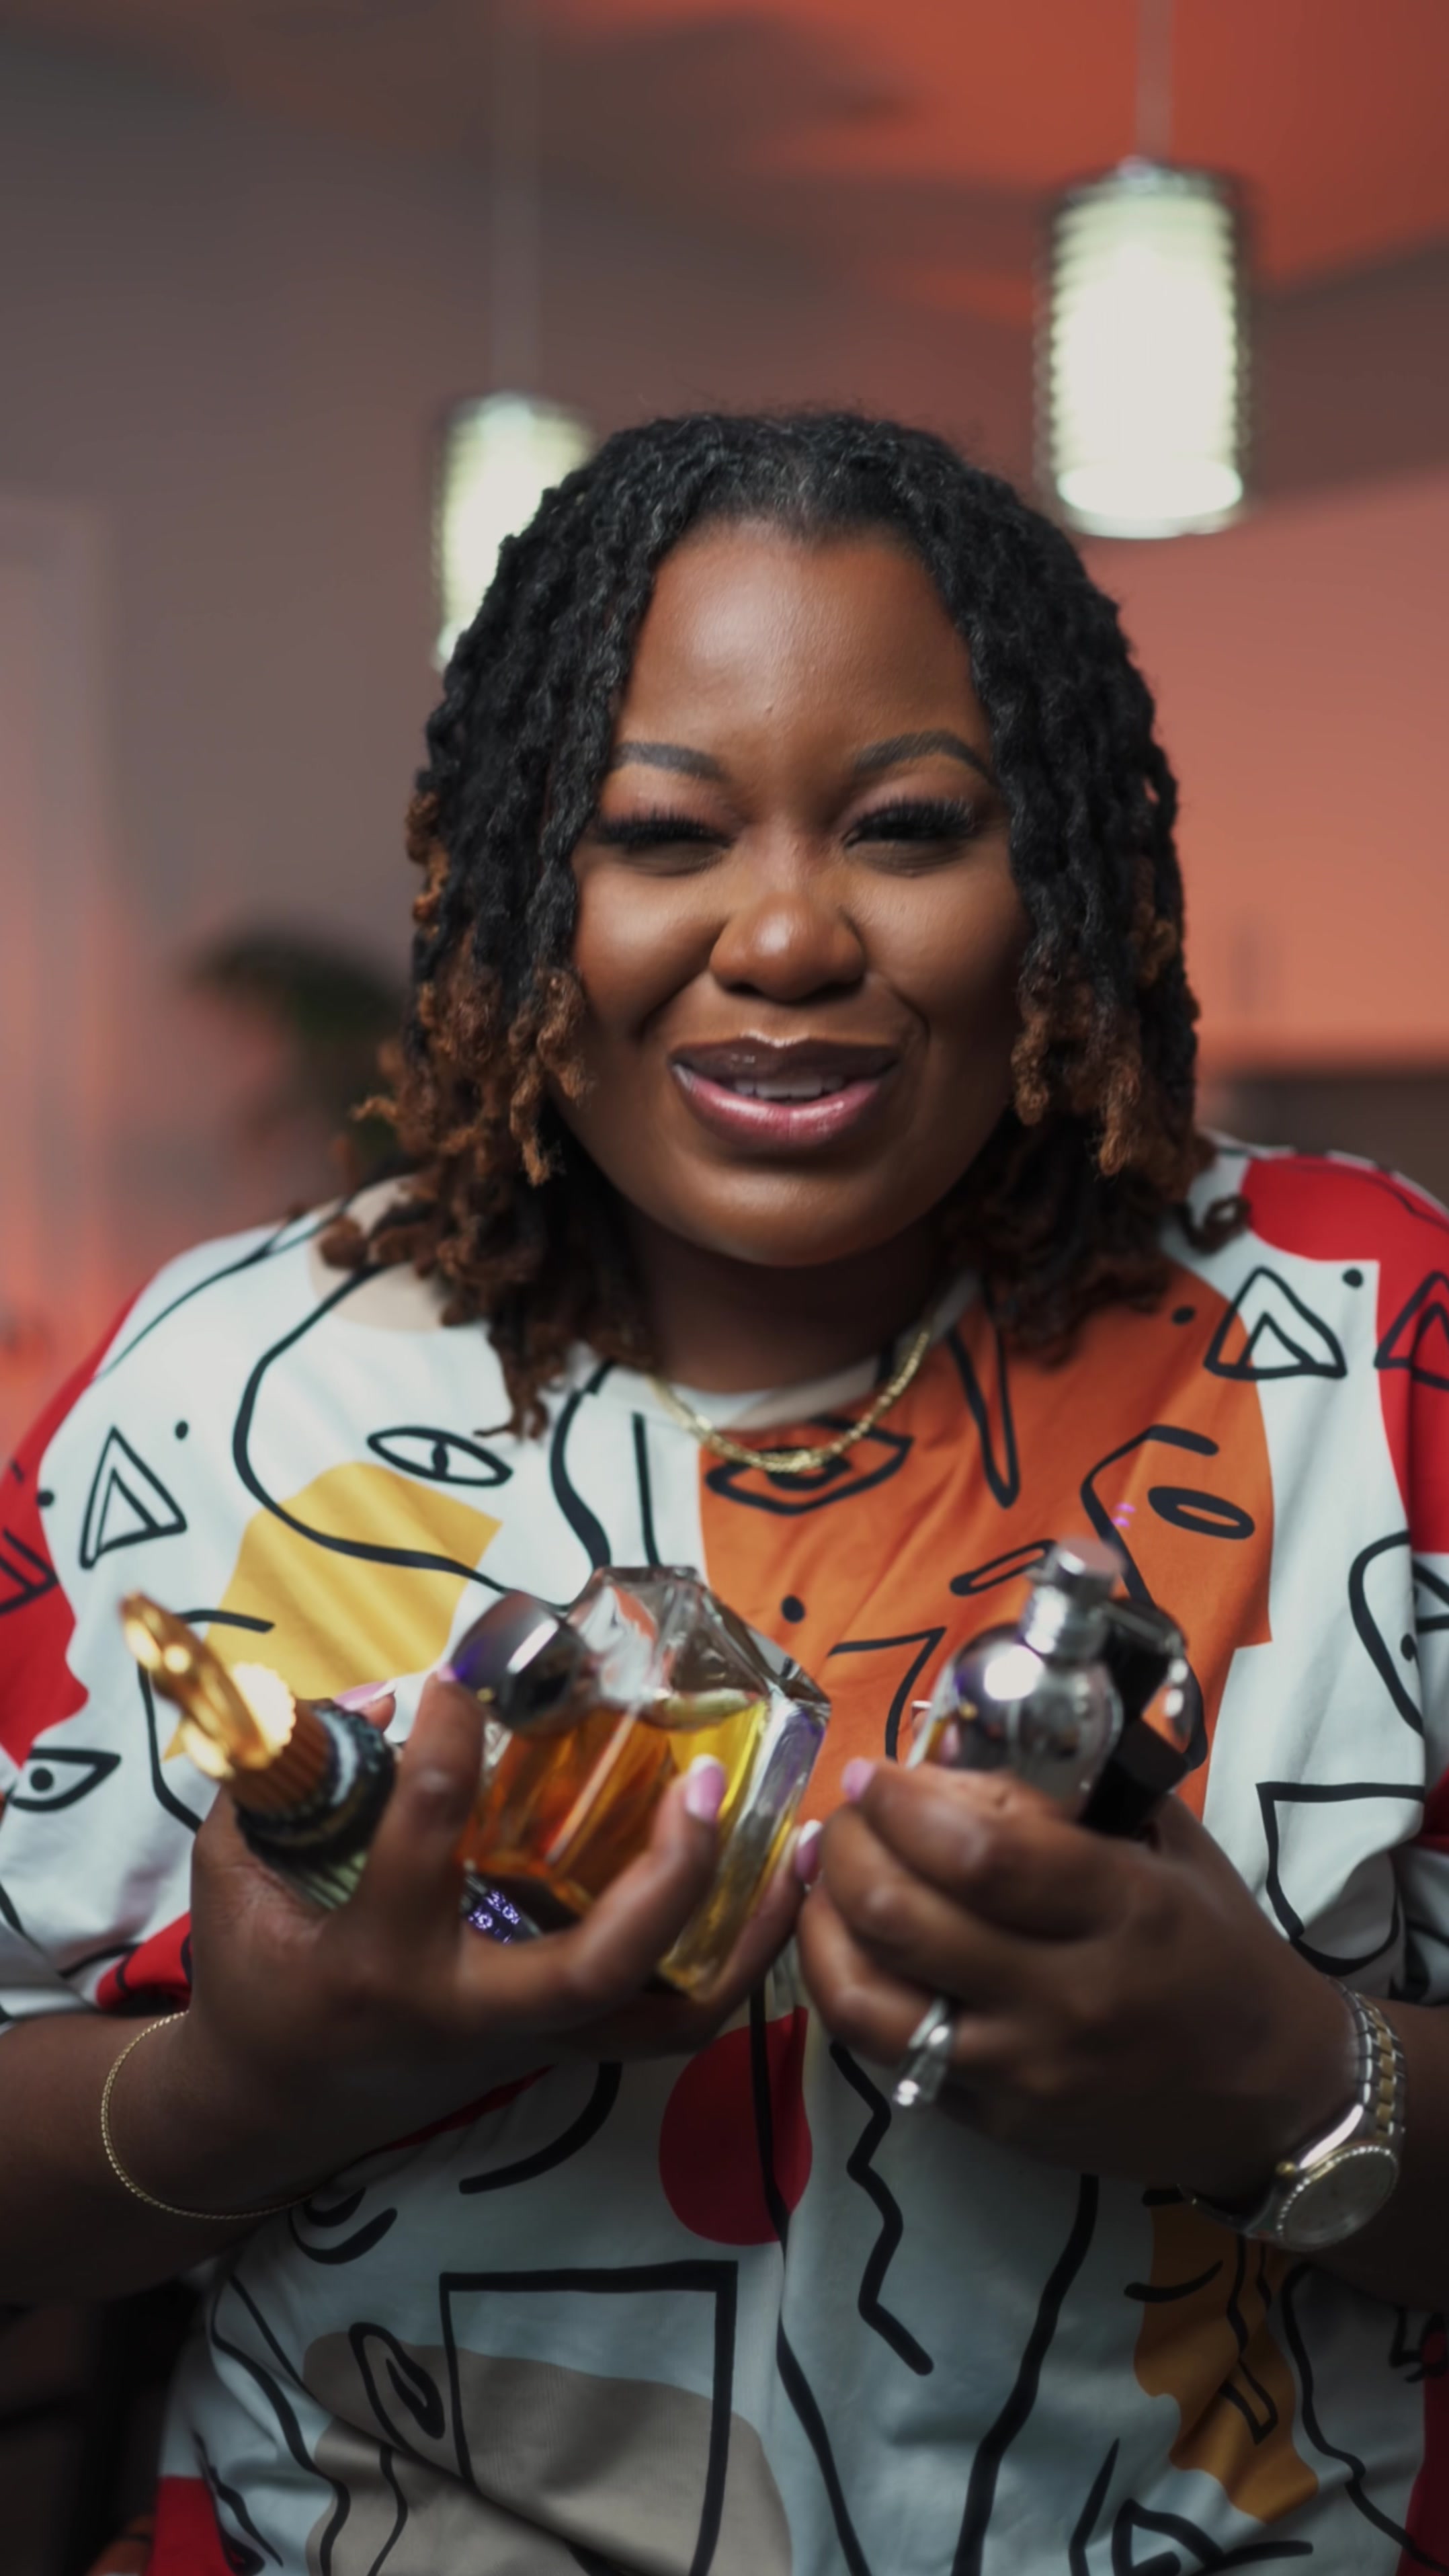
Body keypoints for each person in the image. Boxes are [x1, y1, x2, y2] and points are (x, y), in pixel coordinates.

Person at [1, 411, 1445, 2575]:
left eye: (907, 826)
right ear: (519, 888)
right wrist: (259, 2090)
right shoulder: (222, 1394)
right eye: (662, 834)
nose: (782, 938)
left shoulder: (1369, 1348)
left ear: (1059, 871)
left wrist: (1276, 2075)